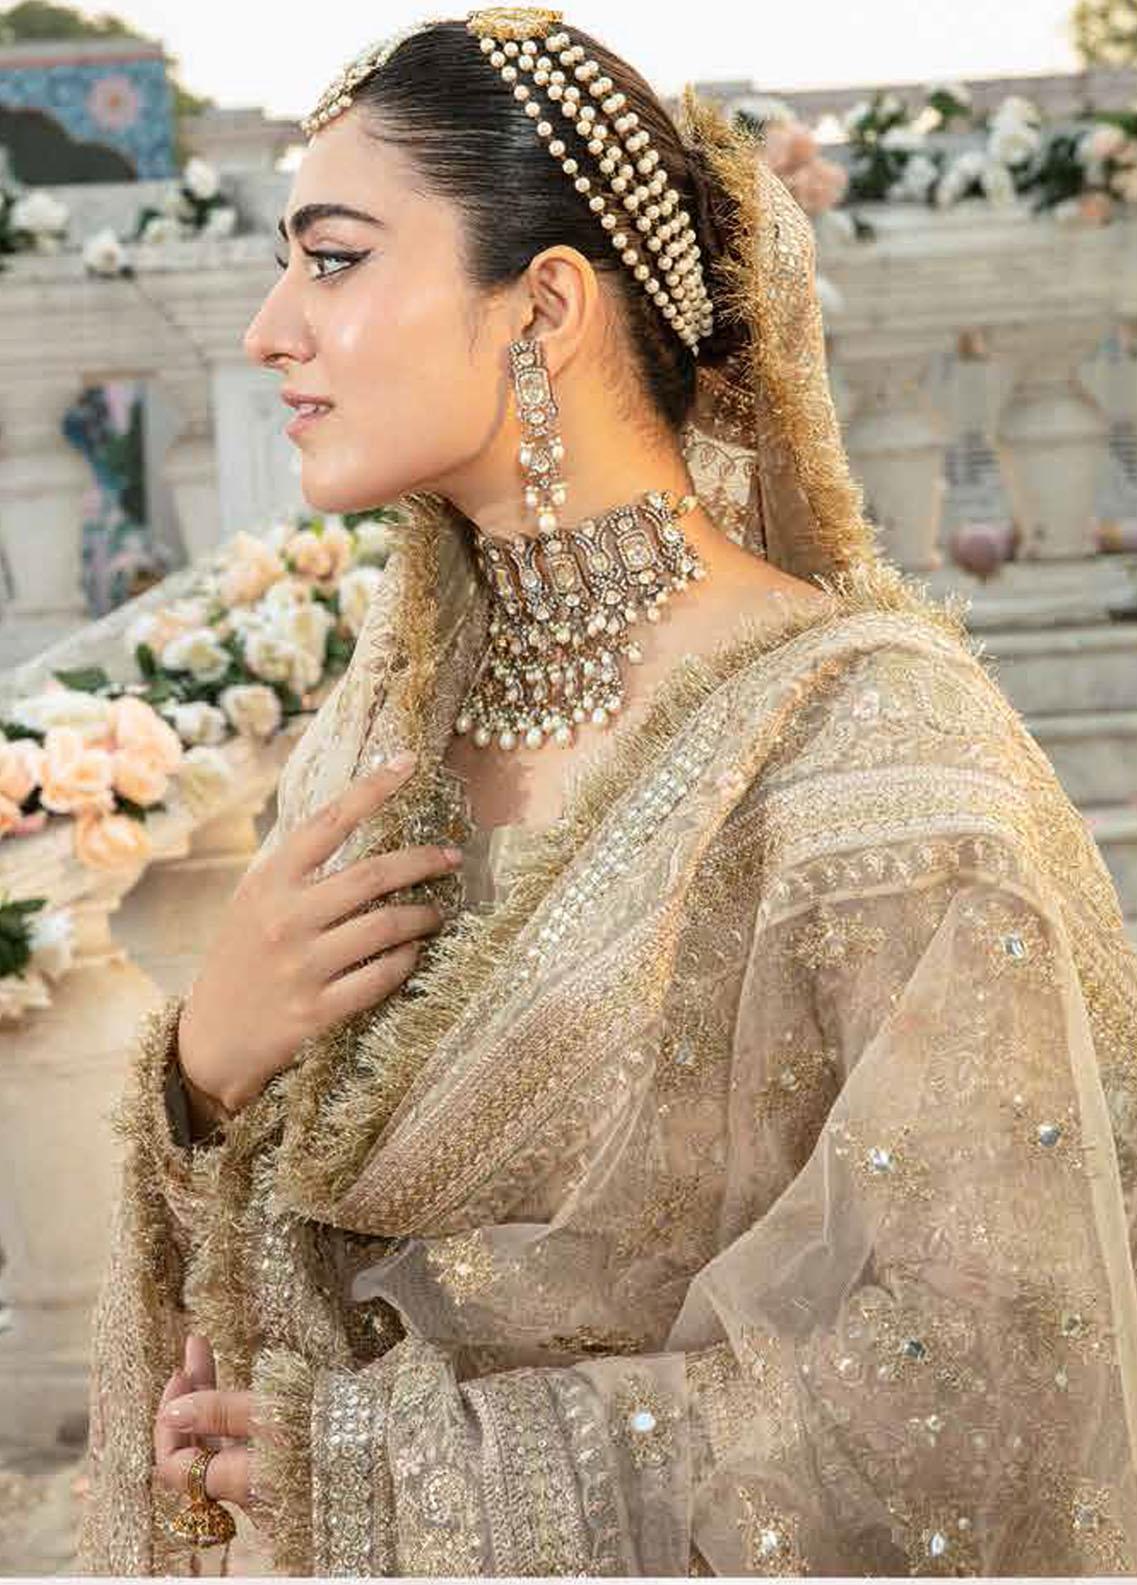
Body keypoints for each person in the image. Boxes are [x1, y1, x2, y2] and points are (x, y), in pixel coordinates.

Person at [77, 8, 1137, 1577]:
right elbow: (253, 1320)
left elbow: (988, 1371)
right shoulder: (378, 729)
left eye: (334, 260)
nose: (269, 331)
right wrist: (204, 1072)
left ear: (546, 303)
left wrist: (389, 1472)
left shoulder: (871, 748)